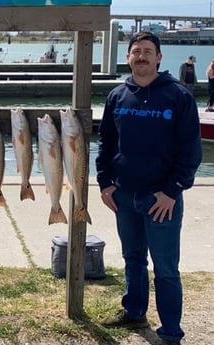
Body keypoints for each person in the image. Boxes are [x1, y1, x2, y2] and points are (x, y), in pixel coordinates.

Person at [96, 31, 202, 345]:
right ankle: (134, 311)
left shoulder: (178, 96)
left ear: (158, 58)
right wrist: (104, 183)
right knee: (133, 258)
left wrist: (172, 191)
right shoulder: (117, 95)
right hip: (125, 196)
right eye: (136, 51)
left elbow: (190, 151)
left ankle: (170, 332)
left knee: (166, 268)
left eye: (148, 51)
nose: (141, 56)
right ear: (128, 58)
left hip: (162, 199)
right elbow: (105, 144)